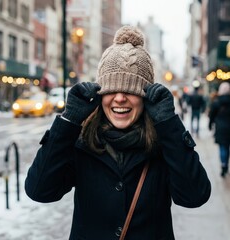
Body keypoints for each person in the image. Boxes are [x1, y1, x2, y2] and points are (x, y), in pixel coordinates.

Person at [24, 26, 211, 239]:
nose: (120, 98)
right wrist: (68, 121)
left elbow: (194, 196)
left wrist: (169, 124)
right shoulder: (83, 140)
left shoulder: (164, 143)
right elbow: (39, 191)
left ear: (145, 97)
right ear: (100, 94)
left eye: (131, 91)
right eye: (111, 90)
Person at [208, 82, 230, 177]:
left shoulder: (216, 102)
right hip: (229, 127)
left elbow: (211, 115)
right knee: (227, 147)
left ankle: (223, 164)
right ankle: (226, 164)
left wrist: (210, 125)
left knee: (222, 147)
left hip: (219, 127)